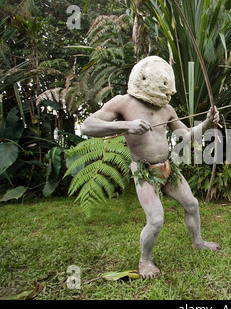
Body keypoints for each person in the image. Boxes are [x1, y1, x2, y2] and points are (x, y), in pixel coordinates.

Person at [80, 56, 221, 279]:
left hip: (167, 168)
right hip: (144, 172)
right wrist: (127, 125)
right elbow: (86, 126)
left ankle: (198, 242)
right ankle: (145, 261)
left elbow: (185, 135)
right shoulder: (123, 102)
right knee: (155, 220)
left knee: (192, 204)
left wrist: (206, 123)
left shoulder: (166, 109)